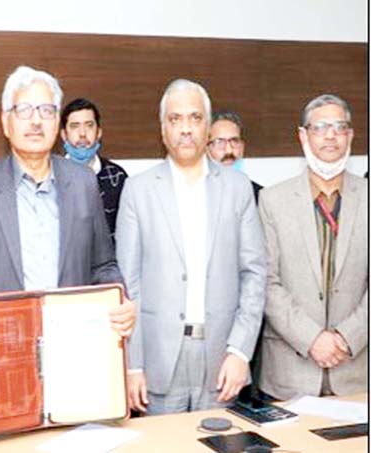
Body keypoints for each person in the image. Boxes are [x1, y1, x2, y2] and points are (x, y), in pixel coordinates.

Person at [0, 66, 135, 356]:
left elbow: (103, 265)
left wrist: (121, 298)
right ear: (6, 122)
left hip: (73, 347)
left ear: (57, 124)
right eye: (25, 110)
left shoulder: (83, 183)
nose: (36, 121)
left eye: (46, 110)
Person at [116, 79, 265, 415]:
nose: (186, 129)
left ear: (208, 127)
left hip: (222, 359)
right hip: (157, 359)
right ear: (163, 129)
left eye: (195, 118)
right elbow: (128, 286)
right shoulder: (137, 191)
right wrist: (132, 364)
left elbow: (254, 274)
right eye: (175, 119)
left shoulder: (238, 188)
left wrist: (240, 351)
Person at [257, 94, 367, 401]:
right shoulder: (272, 200)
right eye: (320, 127)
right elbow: (265, 282)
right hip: (289, 374)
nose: (330, 135)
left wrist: (347, 337)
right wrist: (312, 339)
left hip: (357, 372)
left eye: (339, 126)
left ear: (350, 135)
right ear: (303, 136)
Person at [60, 98, 128, 240]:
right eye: (74, 126)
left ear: (98, 133)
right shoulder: (51, 175)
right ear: (64, 135)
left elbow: (126, 234)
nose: (82, 133)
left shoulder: (117, 177)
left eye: (89, 125)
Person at [207, 110, 263, 202]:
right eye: (219, 142)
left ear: (242, 147)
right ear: (206, 148)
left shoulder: (260, 196)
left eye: (235, 141)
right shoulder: (194, 193)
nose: (229, 150)